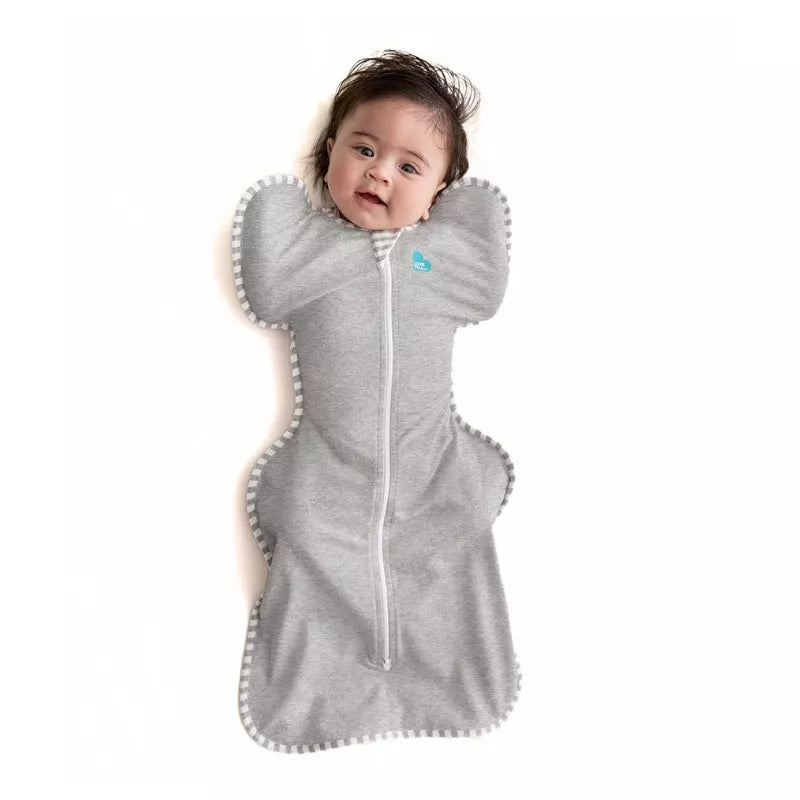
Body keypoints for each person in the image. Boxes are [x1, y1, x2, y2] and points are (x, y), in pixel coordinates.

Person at [302, 49, 480, 231]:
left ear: (433, 198)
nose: (380, 173)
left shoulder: (443, 242)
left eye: (408, 168)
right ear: (331, 154)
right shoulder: (300, 230)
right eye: (365, 151)